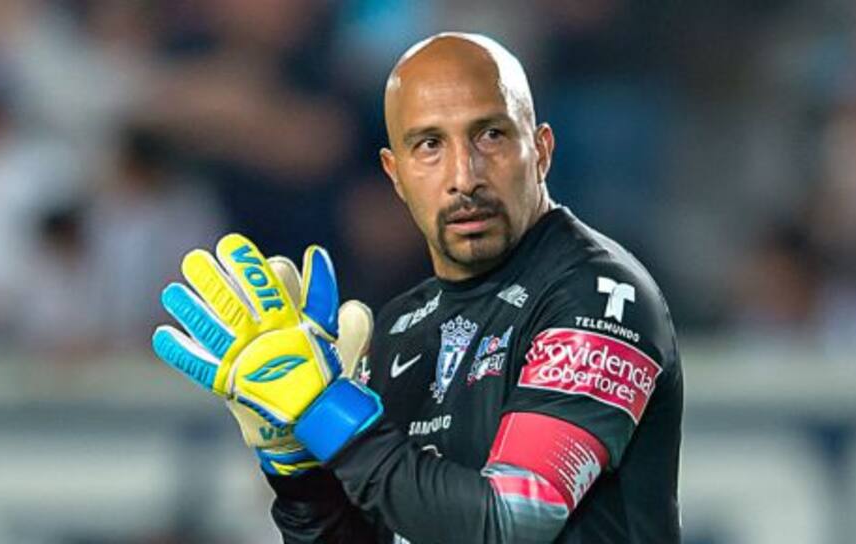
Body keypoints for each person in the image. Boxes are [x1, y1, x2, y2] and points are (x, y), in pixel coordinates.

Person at [154, 32, 682, 543]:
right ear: (395, 173)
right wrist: (298, 466)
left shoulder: (601, 295)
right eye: (430, 145)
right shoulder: (402, 328)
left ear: (541, 149)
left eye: (491, 136)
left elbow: (514, 518)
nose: (464, 176)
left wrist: (326, 410)